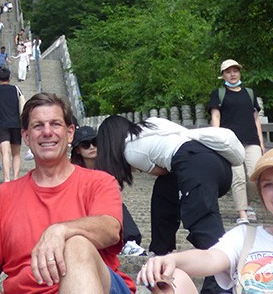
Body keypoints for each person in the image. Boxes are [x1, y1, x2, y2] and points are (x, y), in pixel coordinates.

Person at [0, 93, 136, 294]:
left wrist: (60, 230)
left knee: (76, 244)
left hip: (98, 286)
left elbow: (110, 229)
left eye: (55, 124)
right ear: (26, 136)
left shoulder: (99, 182)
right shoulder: (2, 196)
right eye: (38, 126)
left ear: (70, 133)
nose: (47, 132)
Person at [137, 148, 273, 294]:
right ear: (261, 193)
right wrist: (169, 260)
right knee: (171, 276)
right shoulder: (246, 236)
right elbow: (210, 258)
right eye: (269, 185)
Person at [96, 116, 232, 294]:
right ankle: (160, 251)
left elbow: (162, 169)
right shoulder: (150, 127)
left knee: (202, 226)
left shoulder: (130, 150)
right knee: (164, 192)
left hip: (194, 164)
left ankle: (219, 287)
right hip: (217, 163)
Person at [70, 126, 144, 257]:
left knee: (115, 204)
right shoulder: (72, 170)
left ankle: (129, 242)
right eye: (86, 145)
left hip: (103, 210)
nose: (92, 147)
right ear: (77, 150)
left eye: (95, 142)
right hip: (82, 209)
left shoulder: (108, 166)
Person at [209, 59, 264, 225]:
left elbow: (256, 119)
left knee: (255, 175)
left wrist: (261, 142)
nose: (232, 74)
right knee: (238, 177)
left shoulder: (249, 93)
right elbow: (215, 117)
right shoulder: (219, 93)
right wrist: (217, 138)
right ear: (223, 75)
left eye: (235, 70)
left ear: (239, 72)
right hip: (230, 142)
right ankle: (242, 214)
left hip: (251, 139)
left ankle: (247, 205)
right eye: (228, 71)